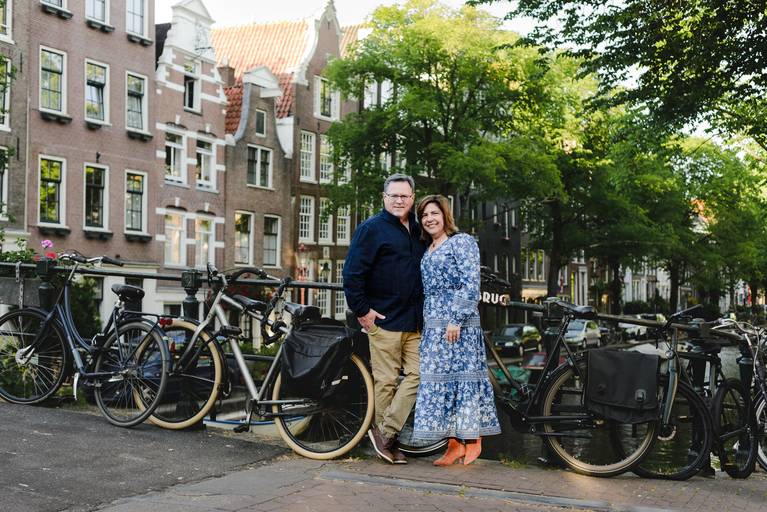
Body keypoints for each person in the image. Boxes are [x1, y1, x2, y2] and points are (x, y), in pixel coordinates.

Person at [343, 174, 426, 464]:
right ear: (384, 197)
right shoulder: (371, 229)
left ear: (413, 198)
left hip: (415, 321)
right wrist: (363, 312)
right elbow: (352, 274)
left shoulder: (418, 229)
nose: (399, 200)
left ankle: (384, 434)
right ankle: (390, 444)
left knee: (420, 374)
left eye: (404, 196)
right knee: (387, 382)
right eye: (394, 196)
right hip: (384, 320)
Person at [412, 195, 501, 465]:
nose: (429, 219)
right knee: (443, 382)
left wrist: (456, 318)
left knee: (465, 380)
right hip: (434, 327)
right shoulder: (428, 248)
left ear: (445, 215)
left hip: (457, 325)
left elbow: (471, 283)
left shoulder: (461, 242)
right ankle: (453, 444)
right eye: (425, 215)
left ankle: (473, 440)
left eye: (434, 213)